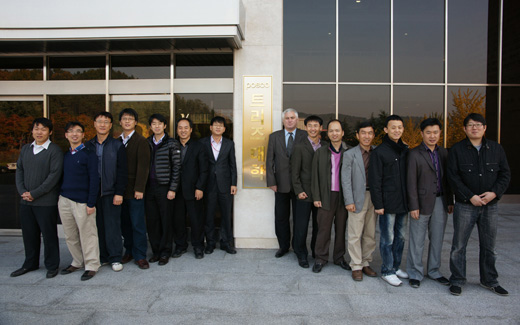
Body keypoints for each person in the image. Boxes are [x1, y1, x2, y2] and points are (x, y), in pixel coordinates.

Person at [447, 113, 511, 296]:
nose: (474, 128)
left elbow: (505, 174)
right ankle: (457, 280)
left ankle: (489, 280)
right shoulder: (457, 150)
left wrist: (494, 193)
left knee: (489, 245)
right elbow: (453, 177)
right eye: (470, 125)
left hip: (490, 206)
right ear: (464, 129)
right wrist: (470, 196)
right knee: (459, 245)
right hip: (466, 205)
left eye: (478, 125)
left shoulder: (496, 149)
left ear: (485, 128)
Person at [12, 118, 63, 279]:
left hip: (45, 202)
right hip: (26, 201)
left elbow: (53, 176)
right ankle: (30, 263)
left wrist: (34, 193)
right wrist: (23, 191)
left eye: (43, 129)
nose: (39, 132)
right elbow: (19, 170)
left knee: (49, 235)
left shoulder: (54, 150)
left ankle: (52, 265)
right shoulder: (26, 149)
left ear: (50, 132)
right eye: (36, 129)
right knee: (29, 234)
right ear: (32, 131)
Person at [406, 118, 453, 288]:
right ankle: (415, 273)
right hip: (420, 203)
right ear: (421, 134)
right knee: (417, 240)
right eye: (428, 132)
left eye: (435, 132)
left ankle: (434, 271)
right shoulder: (414, 154)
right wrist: (413, 205)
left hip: (441, 200)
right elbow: (410, 182)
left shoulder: (444, 153)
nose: (432, 136)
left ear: (440, 133)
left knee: (438, 238)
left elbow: (447, 179)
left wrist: (449, 201)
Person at [368, 115, 409, 286]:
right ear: (386, 130)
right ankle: (387, 270)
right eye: (393, 127)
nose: (397, 130)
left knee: (400, 237)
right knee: (388, 238)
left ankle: (396, 266)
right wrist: (378, 204)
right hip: (387, 203)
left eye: (399, 127)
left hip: (404, 202)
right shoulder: (379, 152)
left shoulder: (406, 150)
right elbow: (375, 180)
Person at [58, 121, 100, 281]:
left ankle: (91, 265)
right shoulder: (66, 155)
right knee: (70, 234)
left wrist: (91, 202)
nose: (74, 134)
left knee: (87, 234)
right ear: (66, 135)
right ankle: (77, 261)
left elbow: (94, 179)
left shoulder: (89, 154)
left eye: (78, 131)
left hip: (82, 201)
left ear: (83, 135)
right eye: (71, 131)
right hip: (65, 200)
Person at [86, 112, 128, 272]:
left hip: (111, 193)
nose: (102, 124)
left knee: (113, 226)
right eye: (100, 121)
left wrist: (119, 192)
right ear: (94, 124)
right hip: (93, 194)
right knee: (97, 226)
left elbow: (122, 171)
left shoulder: (117, 145)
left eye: (106, 122)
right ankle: (102, 256)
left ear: (111, 125)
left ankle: (115, 257)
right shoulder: (88, 145)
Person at [266, 108, 307, 258]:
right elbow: (269, 160)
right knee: (281, 218)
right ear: (283, 121)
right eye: (287, 118)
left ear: (297, 120)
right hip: (280, 184)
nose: (289, 120)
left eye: (292, 118)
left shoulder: (304, 135)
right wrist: (271, 181)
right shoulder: (274, 137)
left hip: (300, 186)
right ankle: (283, 246)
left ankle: (298, 248)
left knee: (299, 219)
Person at [311, 119, 350, 273]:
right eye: (332, 130)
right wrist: (316, 197)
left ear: (342, 133)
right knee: (323, 229)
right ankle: (320, 258)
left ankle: (339, 257)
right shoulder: (321, 151)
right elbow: (315, 176)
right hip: (326, 196)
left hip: (343, 196)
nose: (335, 133)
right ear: (328, 133)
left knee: (341, 228)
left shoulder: (349, 151)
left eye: (337, 130)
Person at [341, 121, 378, 281]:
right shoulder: (350, 154)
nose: (366, 136)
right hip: (356, 198)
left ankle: (365, 262)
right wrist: (348, 200)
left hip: (374, 198)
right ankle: (355, 265)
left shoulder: (377, 152)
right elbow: (345, 180)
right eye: (363, 133)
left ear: (374, 135)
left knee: (370, 233)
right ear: (357, 135)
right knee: (355, 233)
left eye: (370, 133)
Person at [145, 114, 181, 266]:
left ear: (165, 126)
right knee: (152, 221)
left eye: (160, 123)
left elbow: (177, 167)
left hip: (165, 188)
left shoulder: (172, 143)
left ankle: (165, 252)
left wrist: (172, 188)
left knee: (165, 220)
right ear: (151, 126)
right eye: (154, 124)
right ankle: (156, 251)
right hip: (149, 188)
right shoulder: (146, 143)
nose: (157, 126)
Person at [118, 108, 151, 270]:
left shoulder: (141, 141)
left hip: (135, 191)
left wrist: (140, 188)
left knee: (137, 223)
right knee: (125, 224)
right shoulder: (116, 141)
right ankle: (129, 250)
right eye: (124, 119)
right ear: (120, 122)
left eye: (130, 119)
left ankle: (140, 255)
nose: (127, 121)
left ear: (135, 122)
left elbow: (144, 167)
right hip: (120, 191)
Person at [290, 115, 324, 268]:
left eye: (315, 125)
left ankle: (317, 253)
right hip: (304, 193)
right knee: (301, 225)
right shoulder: (299, 146)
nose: (312, 128)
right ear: (306, 128)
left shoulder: (326, 146)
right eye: (309, 125)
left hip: (321, 194)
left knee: (319, 226)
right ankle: (301, 253)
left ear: (320, 128)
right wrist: (298, 190)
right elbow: (294, 171)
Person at [173, 118, 209, 259]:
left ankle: (198, 246)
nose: (183, 130)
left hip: (194, 190)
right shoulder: (173, 145)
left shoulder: (198, 146)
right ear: (177, 130)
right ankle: (180, 246)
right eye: (180, 128)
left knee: (196, 220)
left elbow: (204, 170)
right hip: (176, 191)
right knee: (178, 220)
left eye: (186, 127)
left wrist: (200, 187)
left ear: (191, 130)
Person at [201, 116, 238, 255]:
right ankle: (210, 243)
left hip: (225, 184)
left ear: (224, 129)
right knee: (209, 215)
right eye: (215, 125)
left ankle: (226, 242)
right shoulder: (203, 143)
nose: (218, 127)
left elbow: (232, 164)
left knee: (226, 215)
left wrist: (234, 183)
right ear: (210, 127)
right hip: (208, 184)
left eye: (220, 125)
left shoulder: (229, 144)